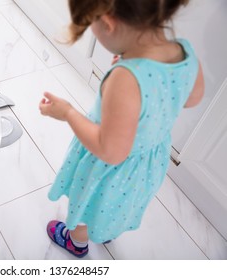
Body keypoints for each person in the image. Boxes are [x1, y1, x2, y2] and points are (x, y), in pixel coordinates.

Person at [39, 0, 204, 258]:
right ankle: (106, 229)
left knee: (88, 204)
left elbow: (110, 151)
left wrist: (68, 113)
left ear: (108, 23)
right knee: (117, 204)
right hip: (147, 163)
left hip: (108, 168)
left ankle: (76, 242)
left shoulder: (126, 78)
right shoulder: (184, 51)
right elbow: (193, 98)